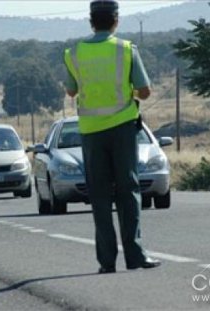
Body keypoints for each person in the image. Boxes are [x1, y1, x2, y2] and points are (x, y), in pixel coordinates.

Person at [64, 0, 161, 273]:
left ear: (91, 21)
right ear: (115, 21)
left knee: (99, 195)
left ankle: (107, 262)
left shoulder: (74, 53)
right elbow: (144, 91)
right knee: (128, 191)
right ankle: (135, 255)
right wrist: (127, 93)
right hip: (122, 127)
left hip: (91, 132)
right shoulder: (126, 49)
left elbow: (71, 91)